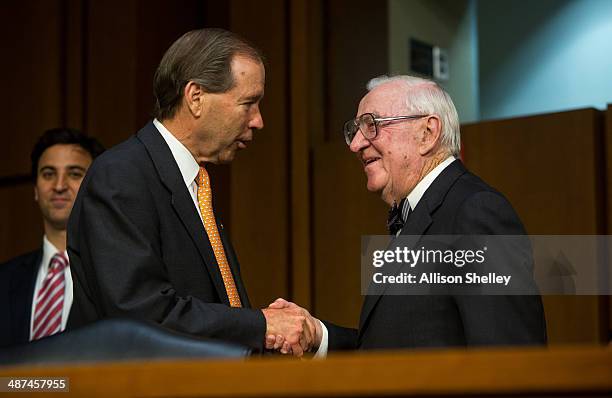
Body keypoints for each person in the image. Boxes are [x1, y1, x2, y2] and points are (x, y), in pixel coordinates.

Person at [67, 28, 318, 355]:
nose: (258, 121)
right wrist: (262, 325)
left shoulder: (195, 184)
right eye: (249, 103)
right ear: (196, 97)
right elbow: (140, 314)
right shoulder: (122, 175)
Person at [268, 75, 547, 353]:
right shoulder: (421, 212)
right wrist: (321, 336)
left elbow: (510, 357)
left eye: (371, 125)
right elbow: (401, 348)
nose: (355, 144)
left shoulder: (476, 212)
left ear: (427, 133)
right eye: (355, 130)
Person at [0, 128, 104, 347]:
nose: (59, 186)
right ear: (36, 189)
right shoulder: (4, 278)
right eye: (48, 174)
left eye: (74, 174)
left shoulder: (114, 277)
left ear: (96, 186)